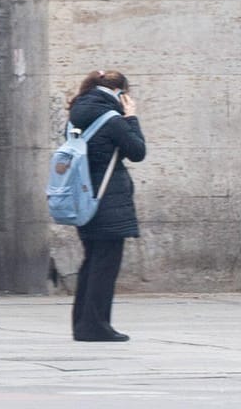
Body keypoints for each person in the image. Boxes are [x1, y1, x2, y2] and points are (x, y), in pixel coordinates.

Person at [66, 68, 146, 343]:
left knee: (91, 262)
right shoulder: (111, 119)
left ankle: (82, 324)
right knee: (105, 265)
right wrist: (132, 117)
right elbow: (137, 152)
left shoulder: (76, 113)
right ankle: (96, 326)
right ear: (120, 93)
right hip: (107, 199)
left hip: (83, 197)